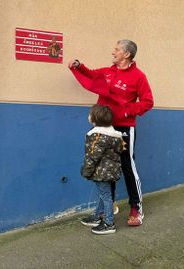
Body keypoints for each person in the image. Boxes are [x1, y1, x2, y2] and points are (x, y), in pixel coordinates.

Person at [68, 39, 154, 226]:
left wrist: (126, 111)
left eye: (116, 50)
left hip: (124, 128)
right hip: (105, 128)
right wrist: (79, 66)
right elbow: (90, 75)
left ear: (127, 54)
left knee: (127, 167)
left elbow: (148, 102)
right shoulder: (108, 72)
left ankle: (136, 209)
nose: (112, 52)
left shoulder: (139, 76)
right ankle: (106, 209)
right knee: (105, 168)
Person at [80, 104, 125, 235]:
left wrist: (86, 171)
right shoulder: (115, 136)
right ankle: (97, 216)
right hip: (112, 171)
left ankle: (109, 223)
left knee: (106, 197)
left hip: (101, 173)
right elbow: (119, 151)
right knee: (104, 195)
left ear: (94, 119)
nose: (88, 116)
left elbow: (92, 157)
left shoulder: (97, 136)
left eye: (90, 114)